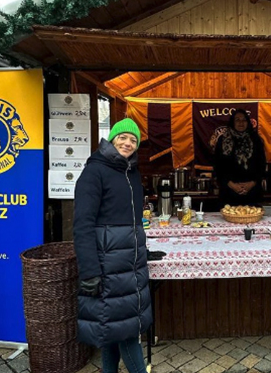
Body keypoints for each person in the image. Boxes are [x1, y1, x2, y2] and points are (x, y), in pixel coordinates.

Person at [73, 118, 151, 373]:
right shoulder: (94, 171)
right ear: (111, 139)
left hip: (129, 265)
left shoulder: (131, 171)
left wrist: (142, 250)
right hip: (107, 267)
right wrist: (89, 271)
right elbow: (82, 224)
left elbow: (132, 220)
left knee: (113, 330)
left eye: (133, 140)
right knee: (127, 333)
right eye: (123, 137)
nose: (128, 143)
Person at [214, 109, 267, 206]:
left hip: (252, 191)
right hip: (229, 191)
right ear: (232, 122)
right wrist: (232, 185)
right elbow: (218, 165)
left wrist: (251, 184)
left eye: (244, 120)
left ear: (248, 122)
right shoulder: (223, 140)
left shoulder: (256, 140)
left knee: (253, 218)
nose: (241, 123)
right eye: (237, 120)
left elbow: (261, 164)